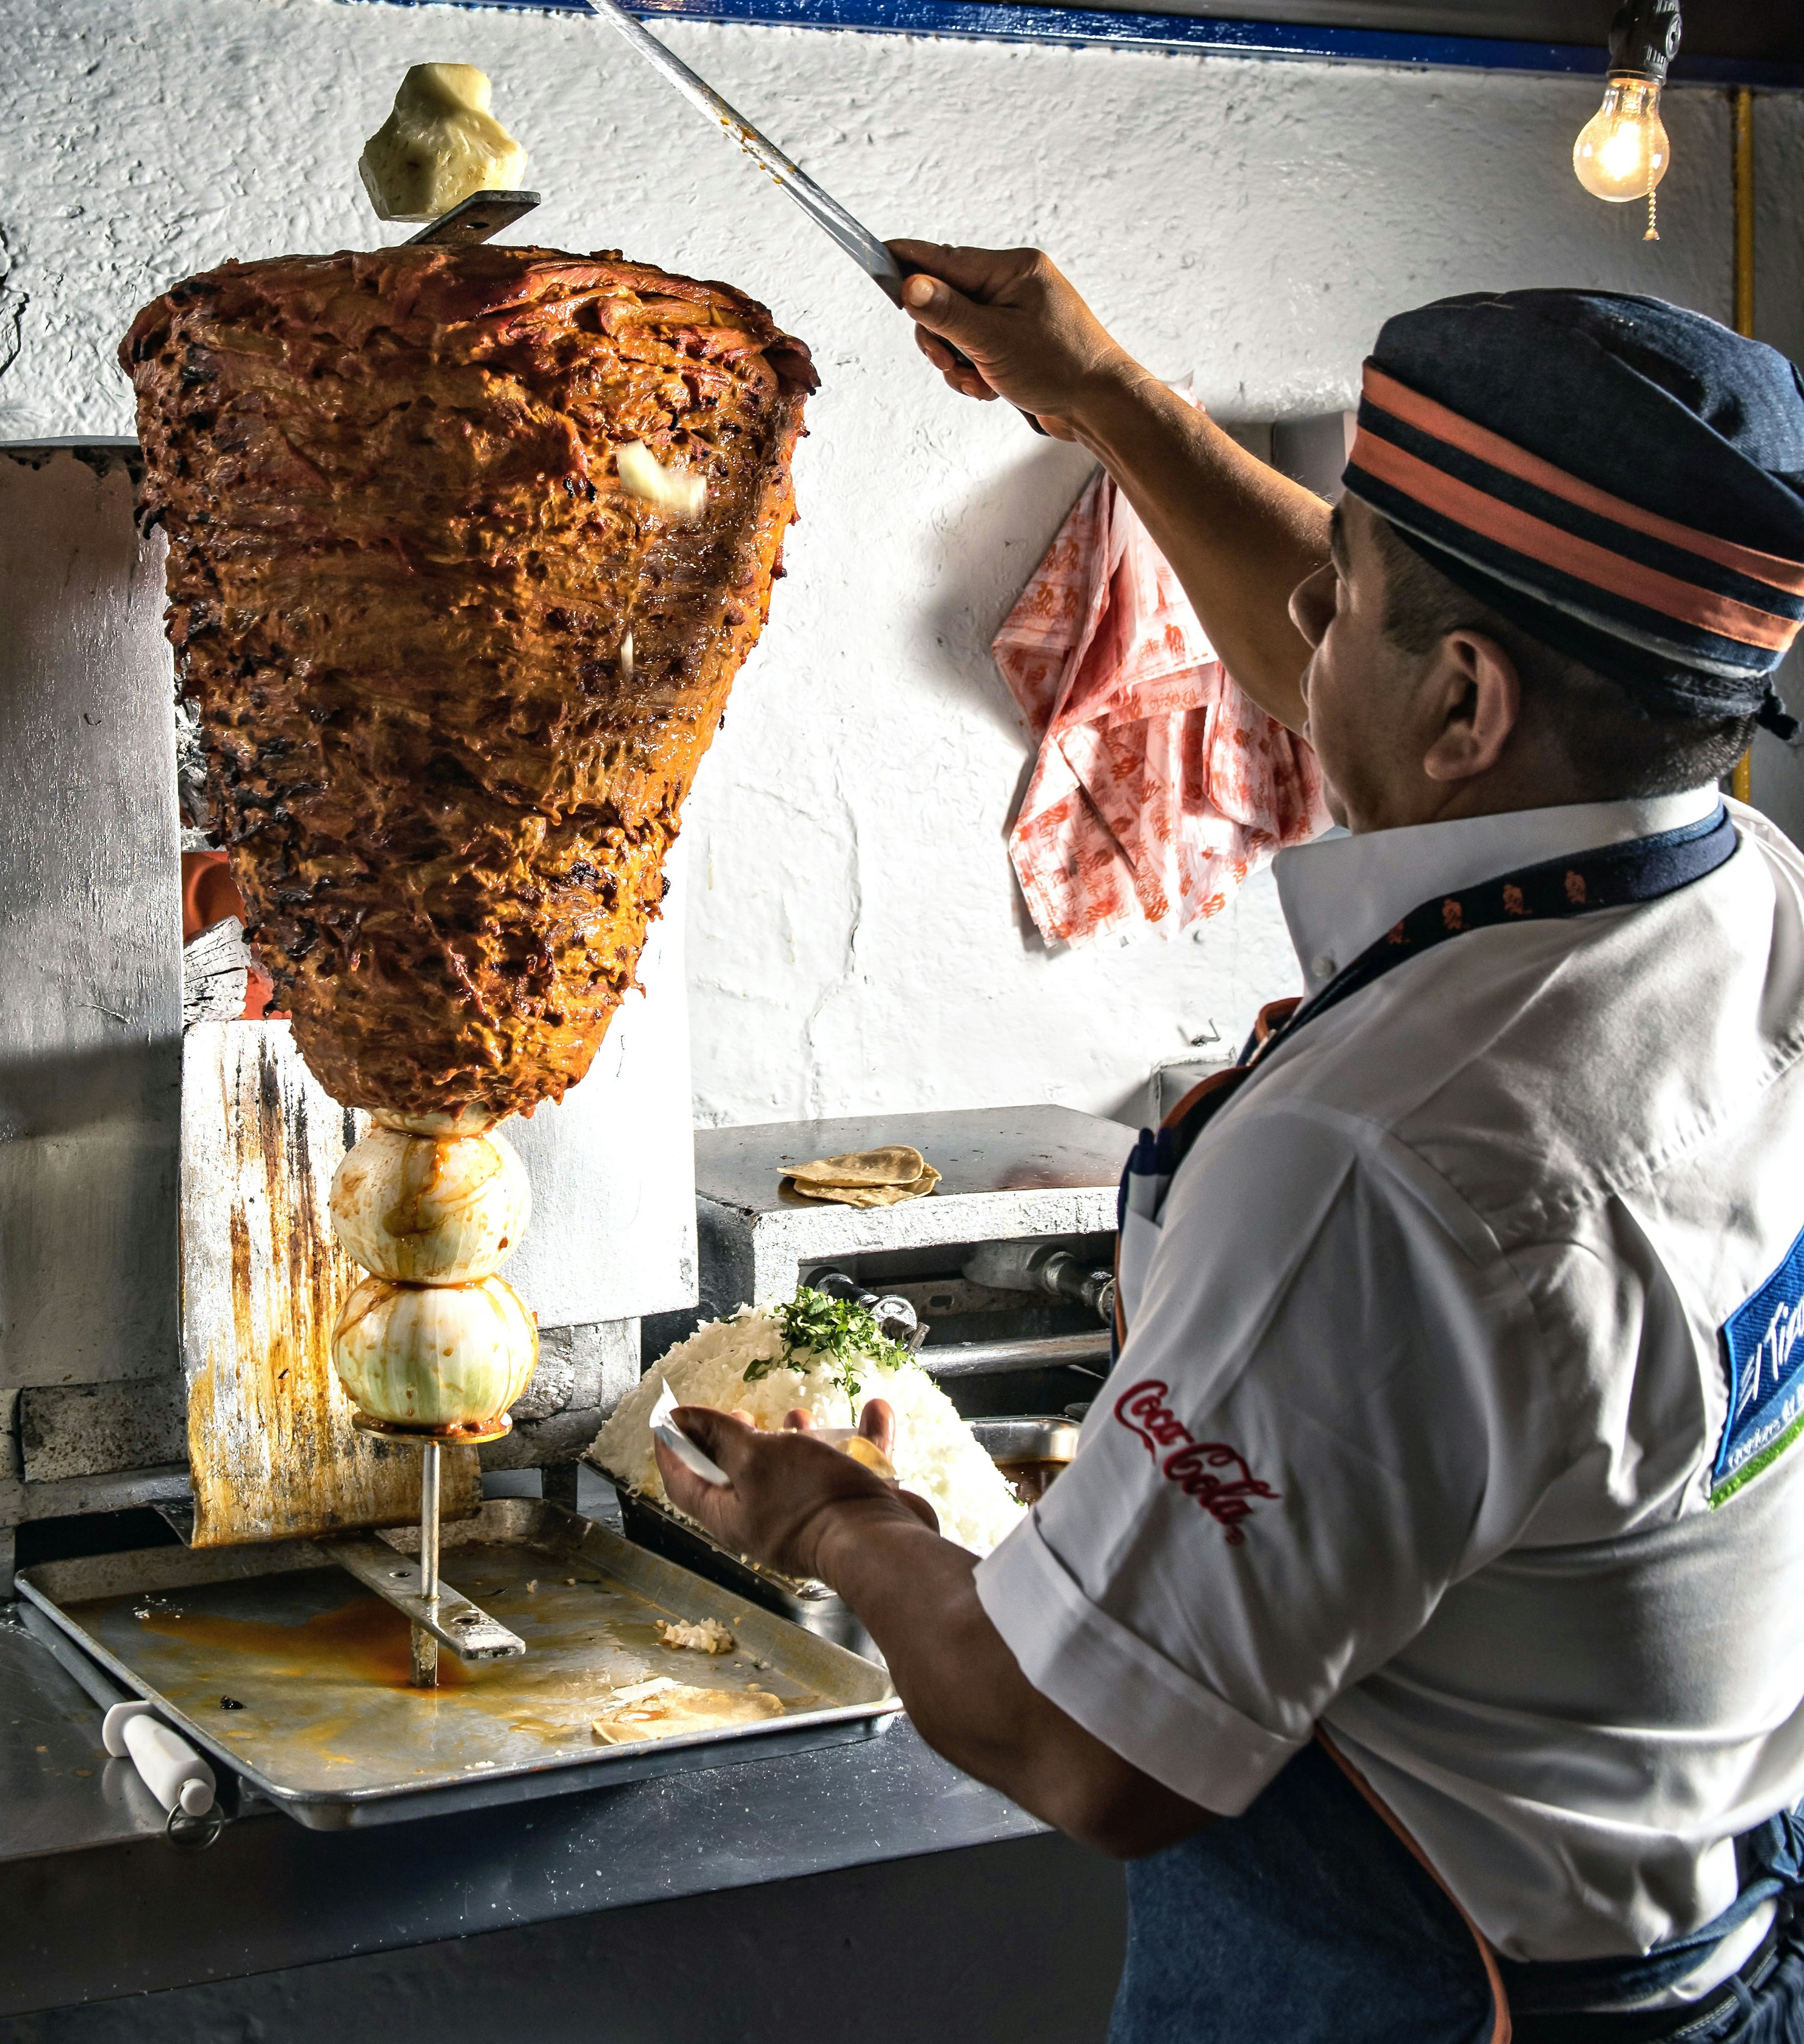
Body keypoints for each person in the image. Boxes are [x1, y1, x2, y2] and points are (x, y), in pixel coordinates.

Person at [655, 250, 1804, 2042]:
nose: (1296, 626)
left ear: (1466, 707)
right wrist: (1101, 387)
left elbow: (1077, 1738)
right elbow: (1365, 656)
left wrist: (836, 1519)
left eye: (1342, 602)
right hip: (1713, 1947)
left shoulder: (1383, 1161)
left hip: (1445, 2000)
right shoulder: (1746, 904)